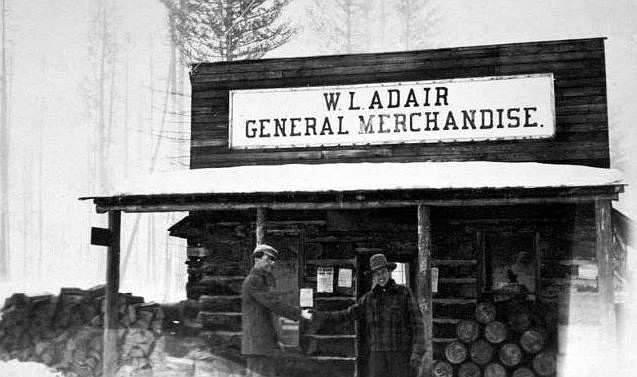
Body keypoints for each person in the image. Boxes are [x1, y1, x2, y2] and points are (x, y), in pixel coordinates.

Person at [312, 253, 424, 377]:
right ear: (373, 277)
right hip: (377, 356)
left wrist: (417, 354)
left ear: (389, 271)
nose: (381, 277)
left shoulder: (404, 293)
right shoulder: (369, 298)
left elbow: (417, 324)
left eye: (383, 272)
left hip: (400, 355)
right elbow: (347, 314)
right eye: (377, 274)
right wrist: (318, 316)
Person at [242, 244, 312, 377]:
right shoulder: (254, 281)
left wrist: (275, 339)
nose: (272, 263)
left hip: (261, 344)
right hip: (258, 344)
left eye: (273, 260)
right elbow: (273, 304)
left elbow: (265, 314)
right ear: (257, 260)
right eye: (269, 259)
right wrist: (300, 313)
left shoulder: (260, 280)